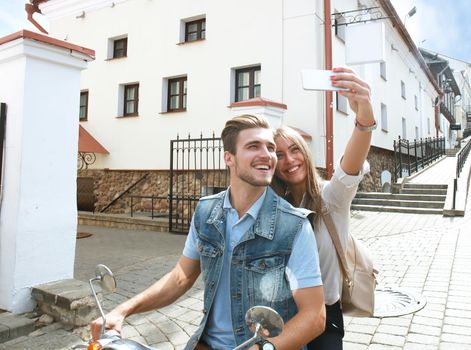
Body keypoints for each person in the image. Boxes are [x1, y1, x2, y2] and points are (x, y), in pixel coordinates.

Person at [90, 115, 326, 350]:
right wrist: (122, 311)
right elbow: (181, 277)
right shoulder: (206, 211)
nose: (267, 155)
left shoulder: (293, 225)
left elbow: (315, 317)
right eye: (254, 146)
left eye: (270, 148)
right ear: (228, 158)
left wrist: (260, 349)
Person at [271, 67, 374, 350]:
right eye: (279, 154)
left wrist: (363, 116)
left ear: (305, 152)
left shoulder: (332, 197)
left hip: (324, 315)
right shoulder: (275, 208)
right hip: (281, 313)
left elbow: (350, 165)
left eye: (294, 150)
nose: (289, 160)